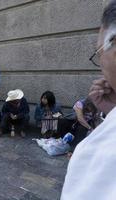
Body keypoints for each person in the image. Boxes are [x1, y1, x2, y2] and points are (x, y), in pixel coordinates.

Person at [61, 2, 116, 199]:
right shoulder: (83, 105)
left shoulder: (96, 152)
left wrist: (97, 128)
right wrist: (110, 113)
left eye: (98, 54)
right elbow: (80, 116)